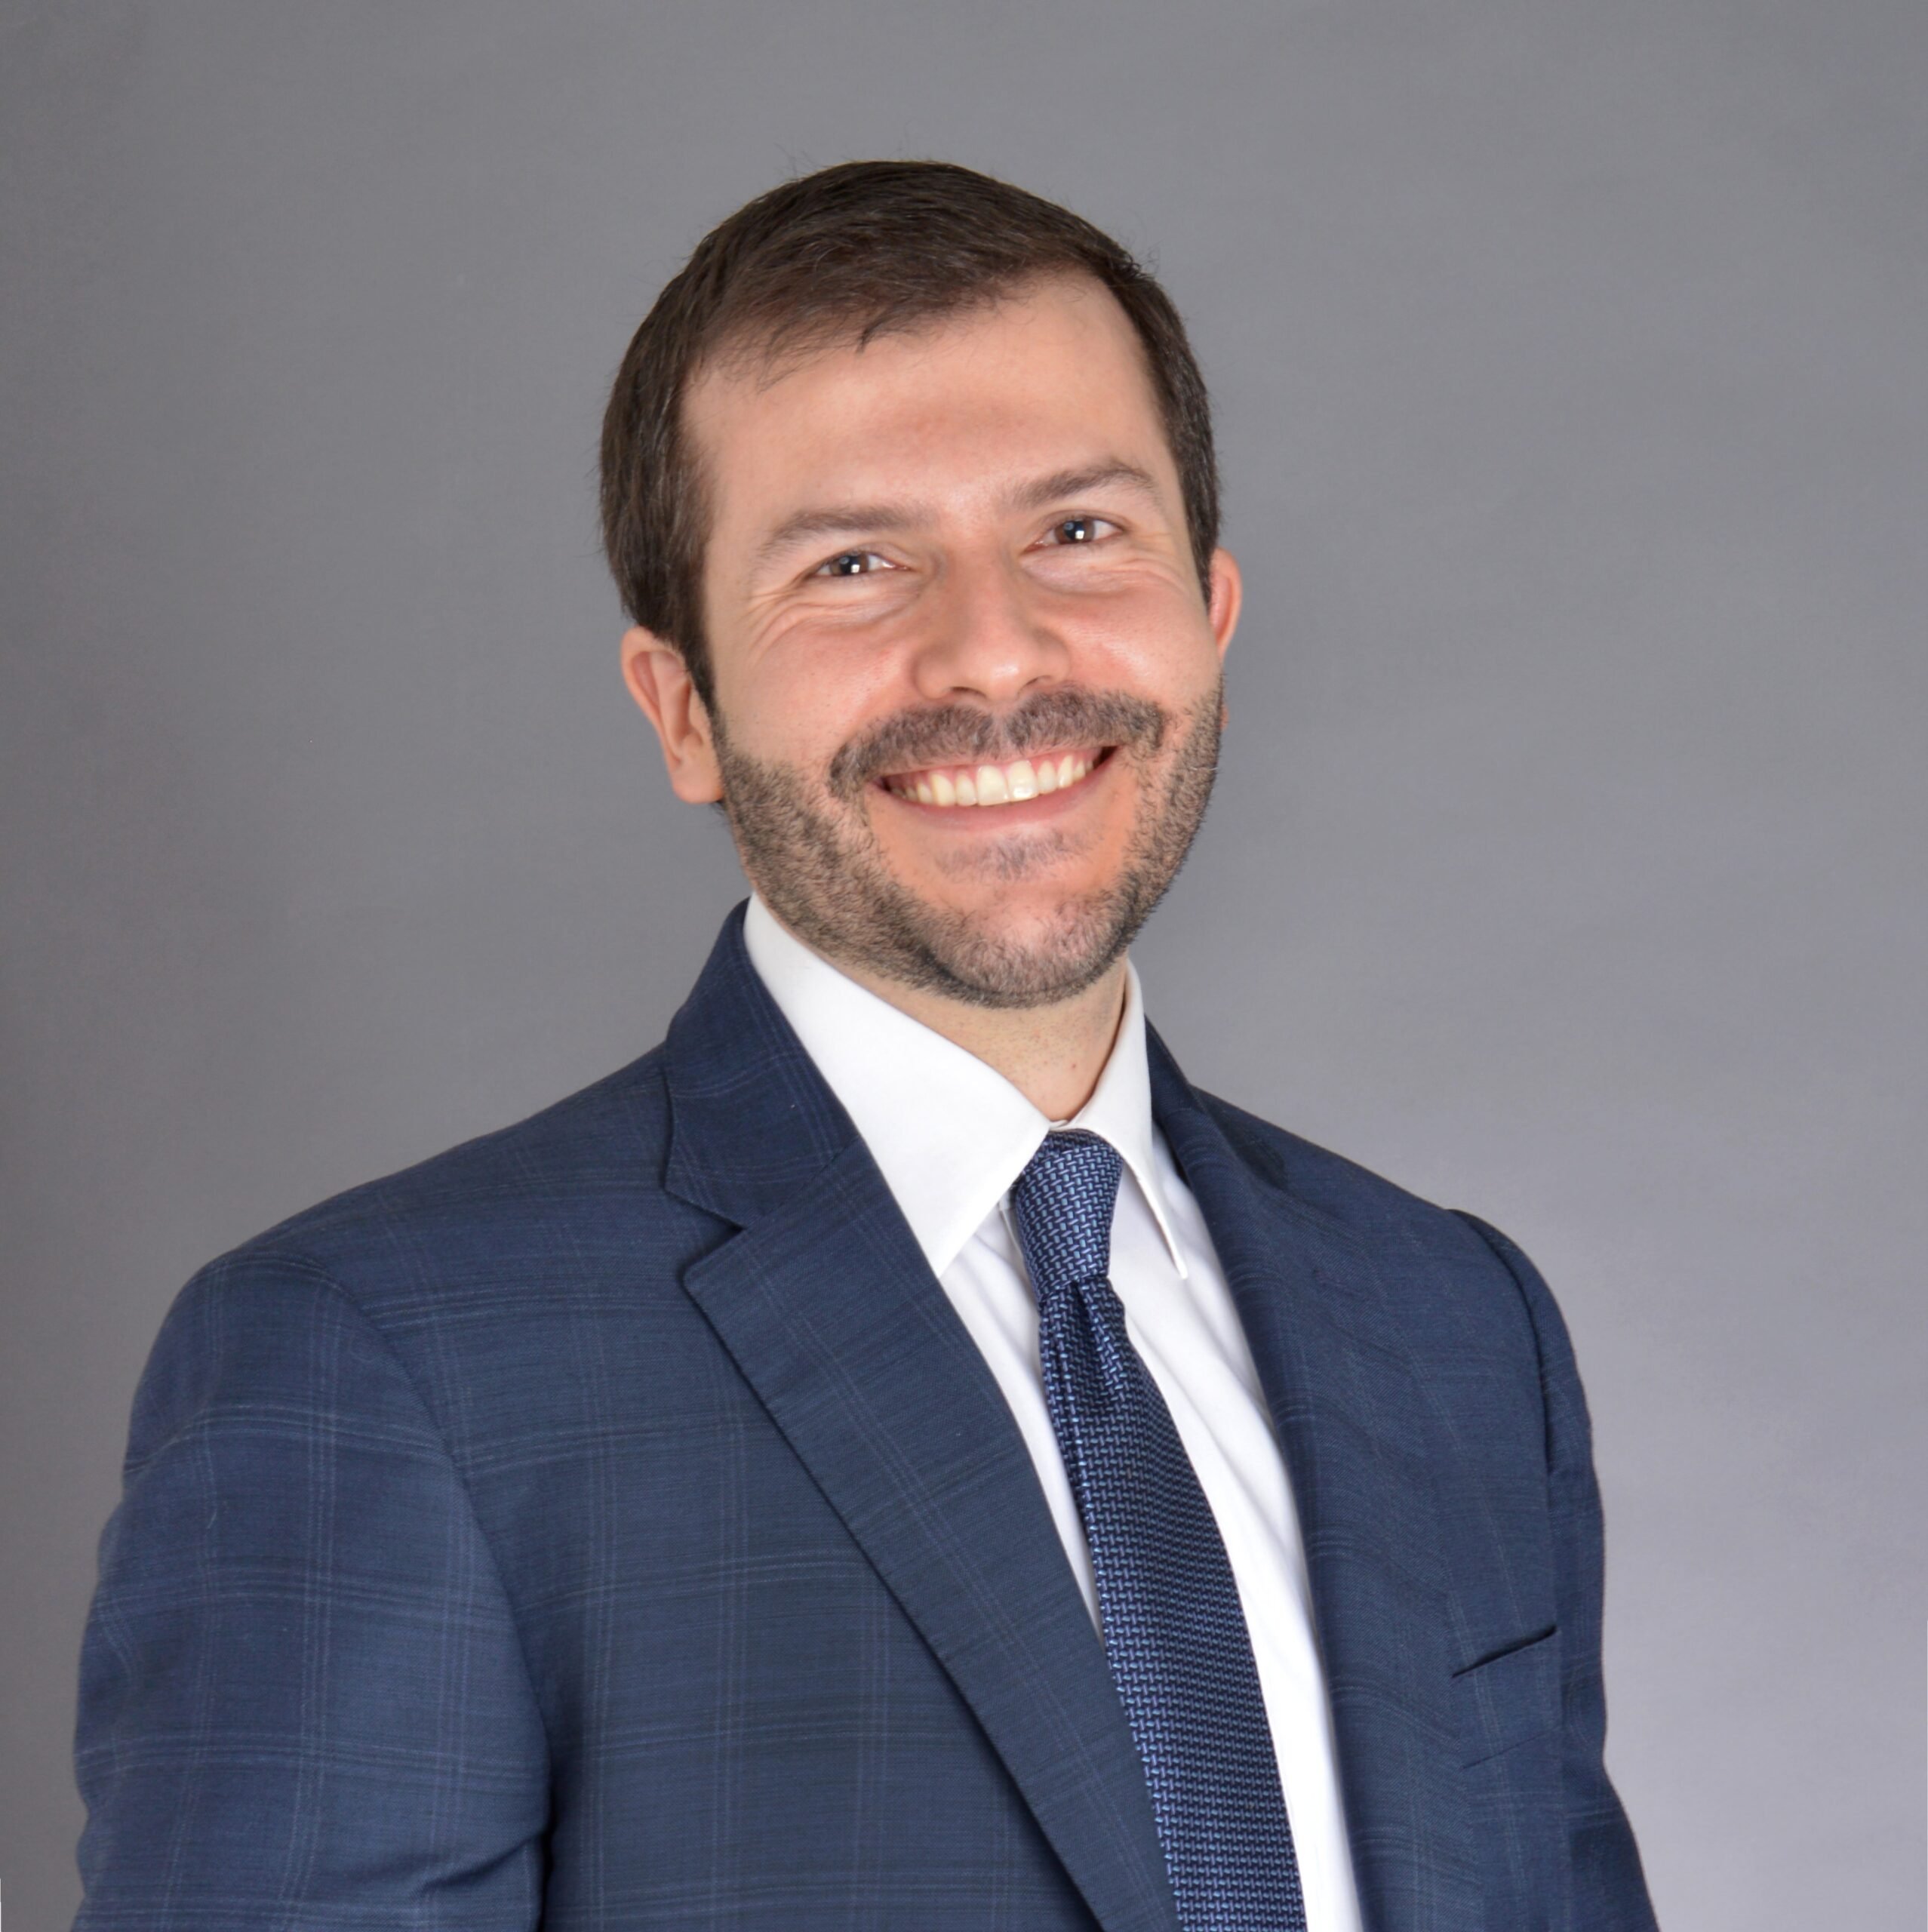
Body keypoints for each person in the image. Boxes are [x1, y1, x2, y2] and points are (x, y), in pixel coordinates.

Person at [72, 161, 1659, 1931]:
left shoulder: (1453, 1326)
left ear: (1210, 615)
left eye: (1077, 531)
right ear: (685, 708)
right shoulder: (383, 1367)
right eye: (852, 563)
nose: (994, 653)